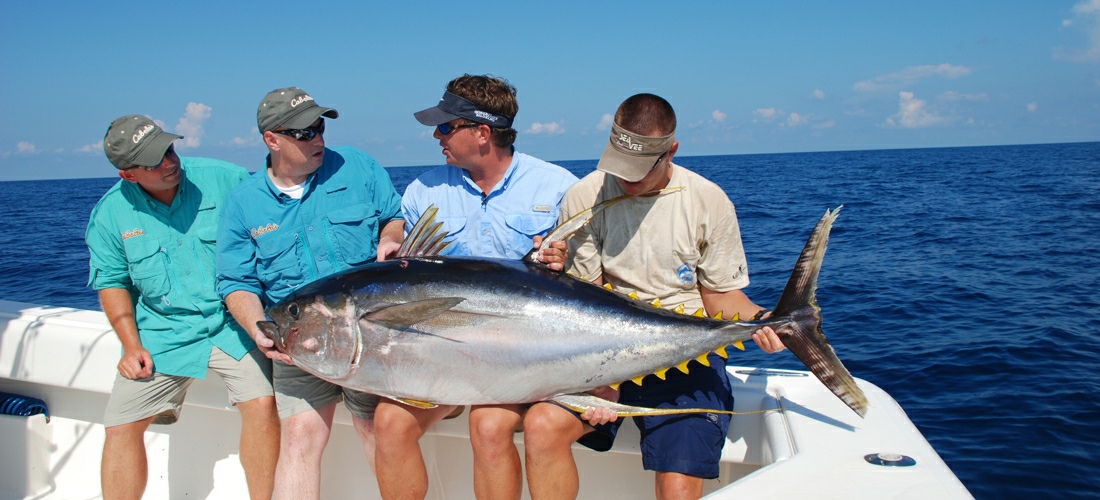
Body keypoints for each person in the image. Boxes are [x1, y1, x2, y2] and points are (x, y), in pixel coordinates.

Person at [522, 94, 788, 500]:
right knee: (541, 427)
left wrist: (763, 319)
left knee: (678, 483)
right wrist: (603, 382)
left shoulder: (707, 200)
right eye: (620, 166)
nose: (627, 179)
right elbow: (588, 300)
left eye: (640, 169)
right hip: (603, 351)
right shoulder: (584, 196)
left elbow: (719, 299)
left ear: (672, 151)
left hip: (687, 357)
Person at [377, 74, 577, 499]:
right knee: (389, 424)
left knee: (487, 425)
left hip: (530, 351)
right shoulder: (423, 190)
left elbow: (589, 277)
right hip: (441, 351)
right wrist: (392, 235)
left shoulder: (558, 187)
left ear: (483, 133)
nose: (436, 134)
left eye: (447, 126)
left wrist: (566, 262)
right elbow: (406, 242)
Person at [216, 87, 404, 499]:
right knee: (299, 438)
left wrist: (391, 238)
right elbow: (236, 282)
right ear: (272, 139)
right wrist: (258, 329)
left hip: (371, 337)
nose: (318, 138)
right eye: (304, 132)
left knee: (377, 431)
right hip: (298, 341)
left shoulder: (356, 166)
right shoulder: (243, 203)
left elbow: (393, 216)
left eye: (320, 127)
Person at [87, 115, 279, 500]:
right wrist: (131, 345)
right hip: (164, 331)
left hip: (233, 323)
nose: (170, 163)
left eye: (170, 150)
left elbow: (276, 214)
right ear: (128, 175)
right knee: (120, 425)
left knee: (261, 405)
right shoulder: (109, 214)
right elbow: (111, 281)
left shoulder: (225, 178)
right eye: (154, 161)